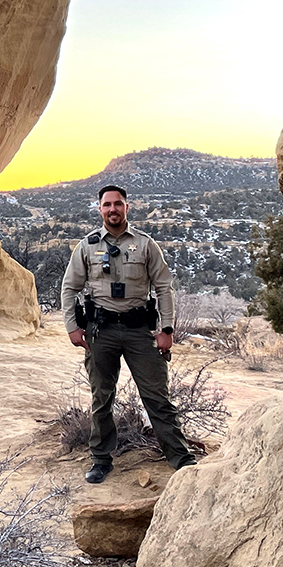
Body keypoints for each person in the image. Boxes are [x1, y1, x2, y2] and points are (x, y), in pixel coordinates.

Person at [61, 184, 197, 483]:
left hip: (139, 331)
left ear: (126, 207)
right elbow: (70, 287)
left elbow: (163, 287)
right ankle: (100, 460)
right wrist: (72, 325)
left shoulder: (146, 244)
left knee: (157, 397)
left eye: (118, 204)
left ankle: (180, 456)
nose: (113, 209)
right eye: (107, 205)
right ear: (100, 209)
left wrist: (167, 328)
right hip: (101, 332)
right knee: (101, 398)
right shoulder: (87, 246)